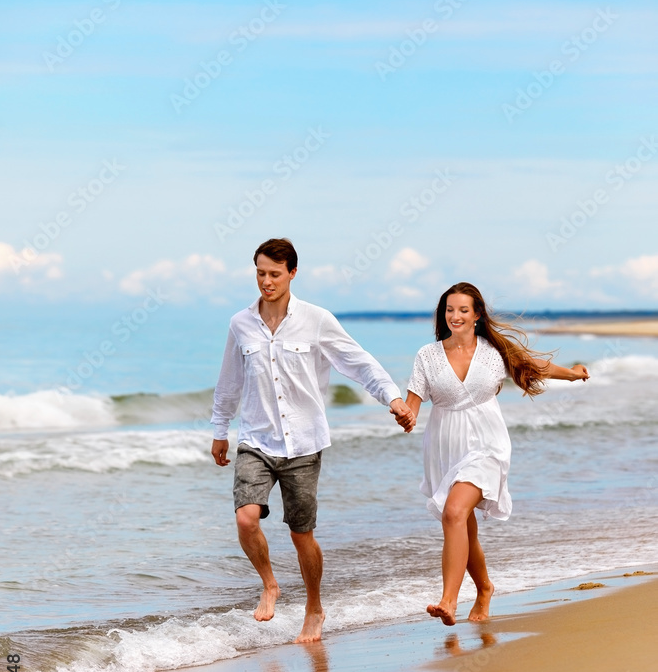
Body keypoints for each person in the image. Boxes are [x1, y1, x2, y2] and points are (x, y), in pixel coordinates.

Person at [211, 238, 415, 643]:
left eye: (274, 274)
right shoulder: (240, 324)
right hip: (256, 438)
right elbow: (229, 381)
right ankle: (270, 584)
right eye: (260, 273)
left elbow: (357, 361)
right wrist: (220, 430)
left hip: (304, 443)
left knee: (301, 534)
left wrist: (392, 398)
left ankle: (314, 607)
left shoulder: (317, 319)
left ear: (292, 273)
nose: (266, 282)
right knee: (245, 517)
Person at [404, 281, 589, 626]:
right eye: (449, 310)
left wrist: (572, 375)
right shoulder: (427, 356)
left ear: (476, 315)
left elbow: (535, 366)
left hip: (487, 444)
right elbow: (413, 403)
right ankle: (485, 588)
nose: (455, 316)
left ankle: (448, 601)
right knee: (463, 525)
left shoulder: (493, 352)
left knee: (453, 512)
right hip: (445, 447)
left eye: (463, 310)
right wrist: (405, 414)